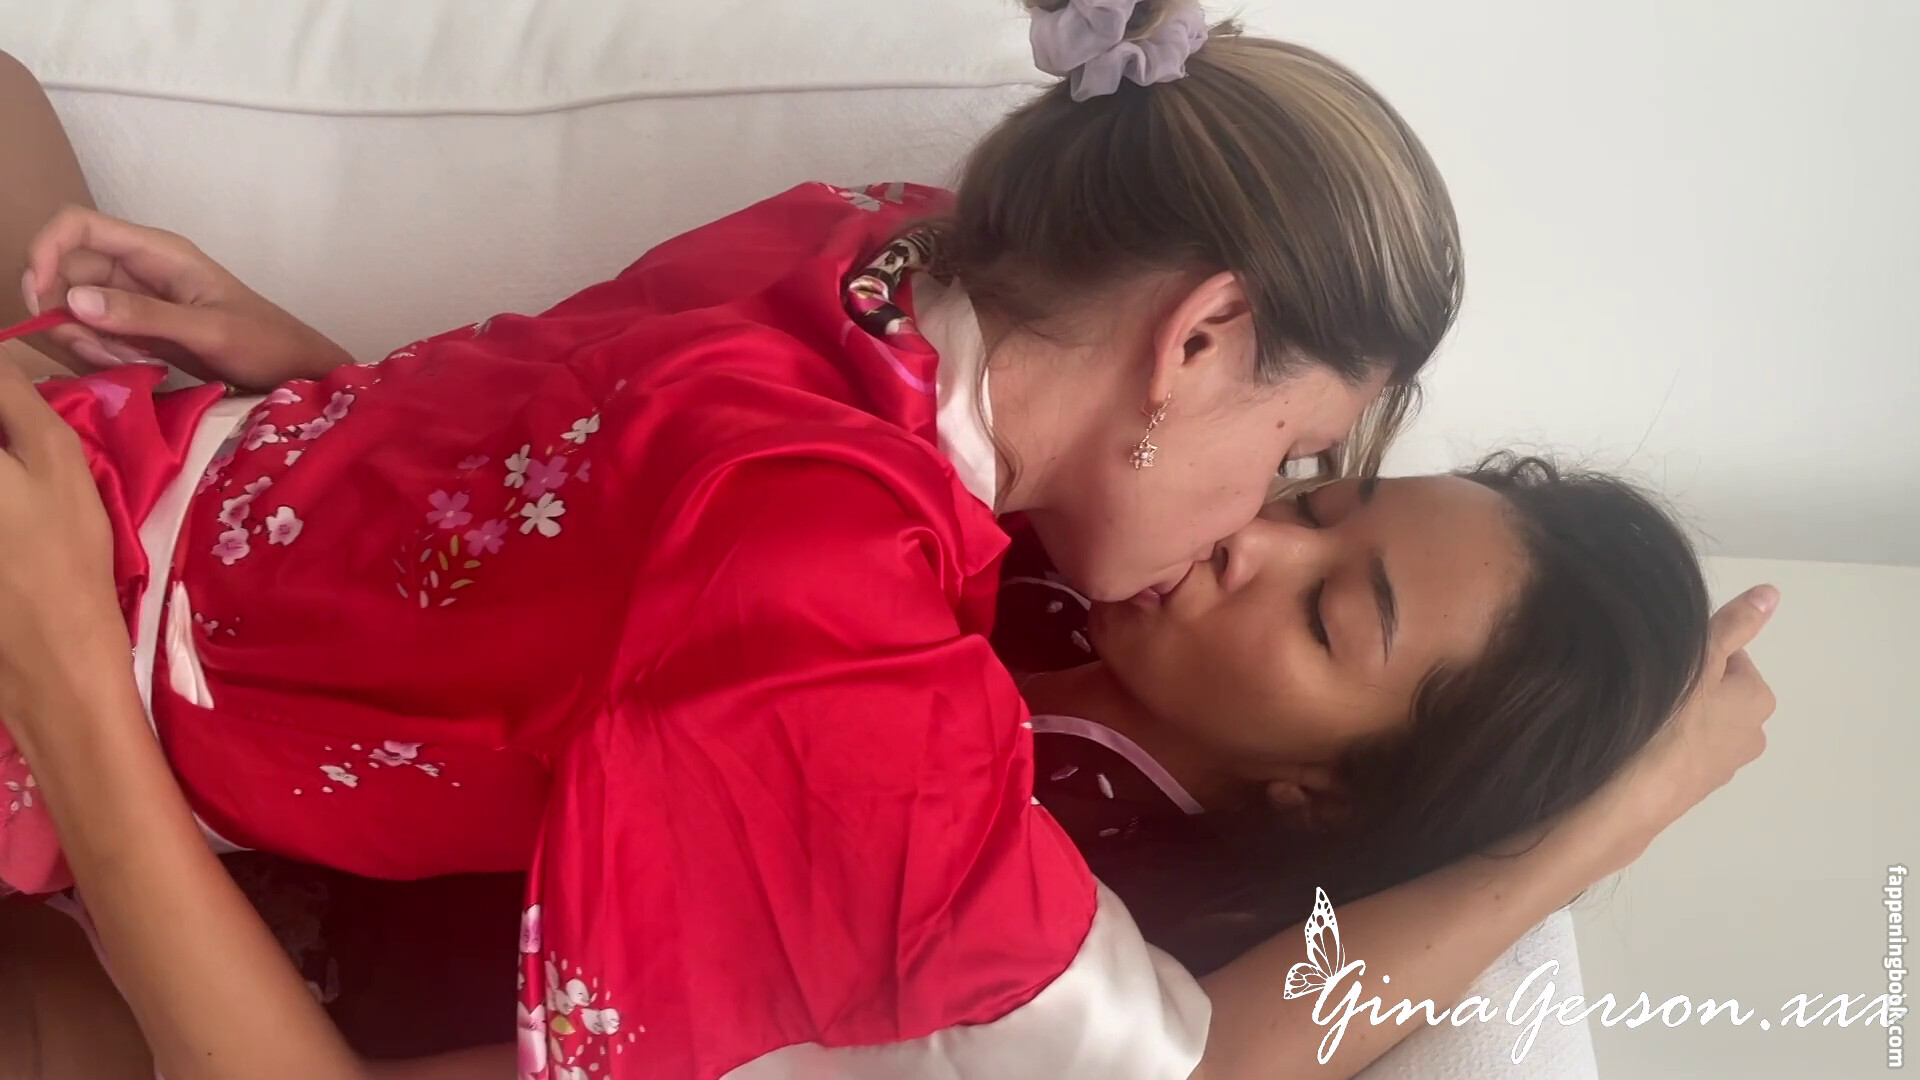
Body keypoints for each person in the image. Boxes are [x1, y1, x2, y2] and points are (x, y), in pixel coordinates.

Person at [0, 6, 1777, 1080]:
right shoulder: (870, 587)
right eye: (1303, 477)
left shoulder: (875, 268)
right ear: (1197, 338)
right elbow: (584, 504)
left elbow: (1198, 1058)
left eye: (1327, 602)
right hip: (154, 568)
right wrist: (319, 395)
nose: (1250, 527)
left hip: (132, 628)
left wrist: (1593, 827)